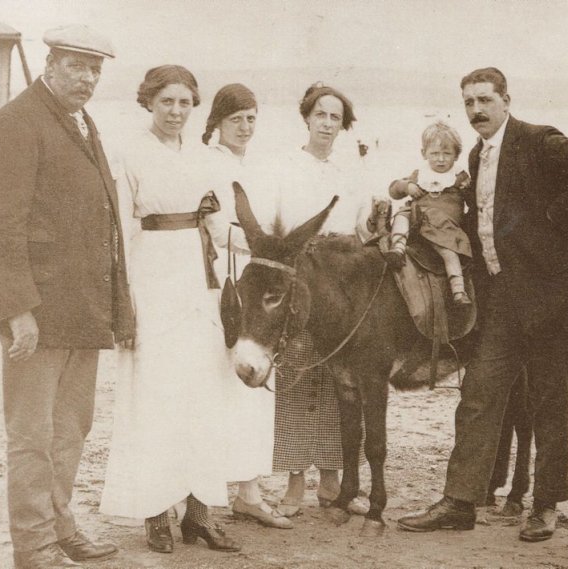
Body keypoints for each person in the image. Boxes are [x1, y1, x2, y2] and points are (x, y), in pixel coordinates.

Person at [397, 67, 568, 542]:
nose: (476, 110)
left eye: (484, 100)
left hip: (552, 298)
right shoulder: (476, 156)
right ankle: (460, 502)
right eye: (469, 103)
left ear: (505, 100)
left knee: (550, 400)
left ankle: (546, 505)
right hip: (501, 299)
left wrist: (555, 219)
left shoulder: (538, 140)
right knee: (478, 395)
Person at [0, 25, 132, 569]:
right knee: (32, 435)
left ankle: (60, 526)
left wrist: (116, 309)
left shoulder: (82, 124)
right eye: (77, 66)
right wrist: (19, 313)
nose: (87, 79)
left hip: (81, 310)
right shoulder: (14, 124)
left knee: (71, 429)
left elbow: (102, 223)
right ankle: (33, 546)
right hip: (37, 313)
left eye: (95, 70)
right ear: (51, 63)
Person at [99, 65, 241, 554]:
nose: (176, 112)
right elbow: (120, 230)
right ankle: (156, 512)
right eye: (167, 102)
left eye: (184, 103)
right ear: (149, 102)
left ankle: (199, 514)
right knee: (155, 397)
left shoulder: (205, 158)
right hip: (152, 279)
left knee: (202, 395)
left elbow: (223, 226)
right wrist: (125, 303)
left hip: (201, 285)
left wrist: (272, 246)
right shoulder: (129, 152)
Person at [272, 82, 371, 517]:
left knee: (341, 384)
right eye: (321, 115)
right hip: (301, 282)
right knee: (296, 374)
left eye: (336, 117)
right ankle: (294, 480)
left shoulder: (349, 171)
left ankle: (333, 478)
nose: (327, 124)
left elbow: (364, 226)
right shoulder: (285, 166)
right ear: (307, 118)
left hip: (343, 287)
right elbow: (277, 227)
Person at [199, 83, 292, 530]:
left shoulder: (263, 165)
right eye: (236, 118)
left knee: (256, 386)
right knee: (220, 386)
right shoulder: (206, 164)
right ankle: (206, 491)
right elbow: (218, 228)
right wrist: (262, 247)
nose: (245, 126)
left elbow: (276, 220)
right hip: (222, 283)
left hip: (258, 289)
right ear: (217, 121)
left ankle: (249, 493)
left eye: (252, 118)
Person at [385, 120, 473, 305]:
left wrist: (467, 189)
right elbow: (393, 189)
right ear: (423, 153)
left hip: (443, 227)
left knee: (449, 252)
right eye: (434, 153)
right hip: (418, 220)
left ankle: (458, 289)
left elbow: (474, 199)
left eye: (447, 154)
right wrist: (407, 186)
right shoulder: (420, 174)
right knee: (402, 215)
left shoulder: (459, 177)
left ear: (456, 155)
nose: (440, 159)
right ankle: (398, 247)